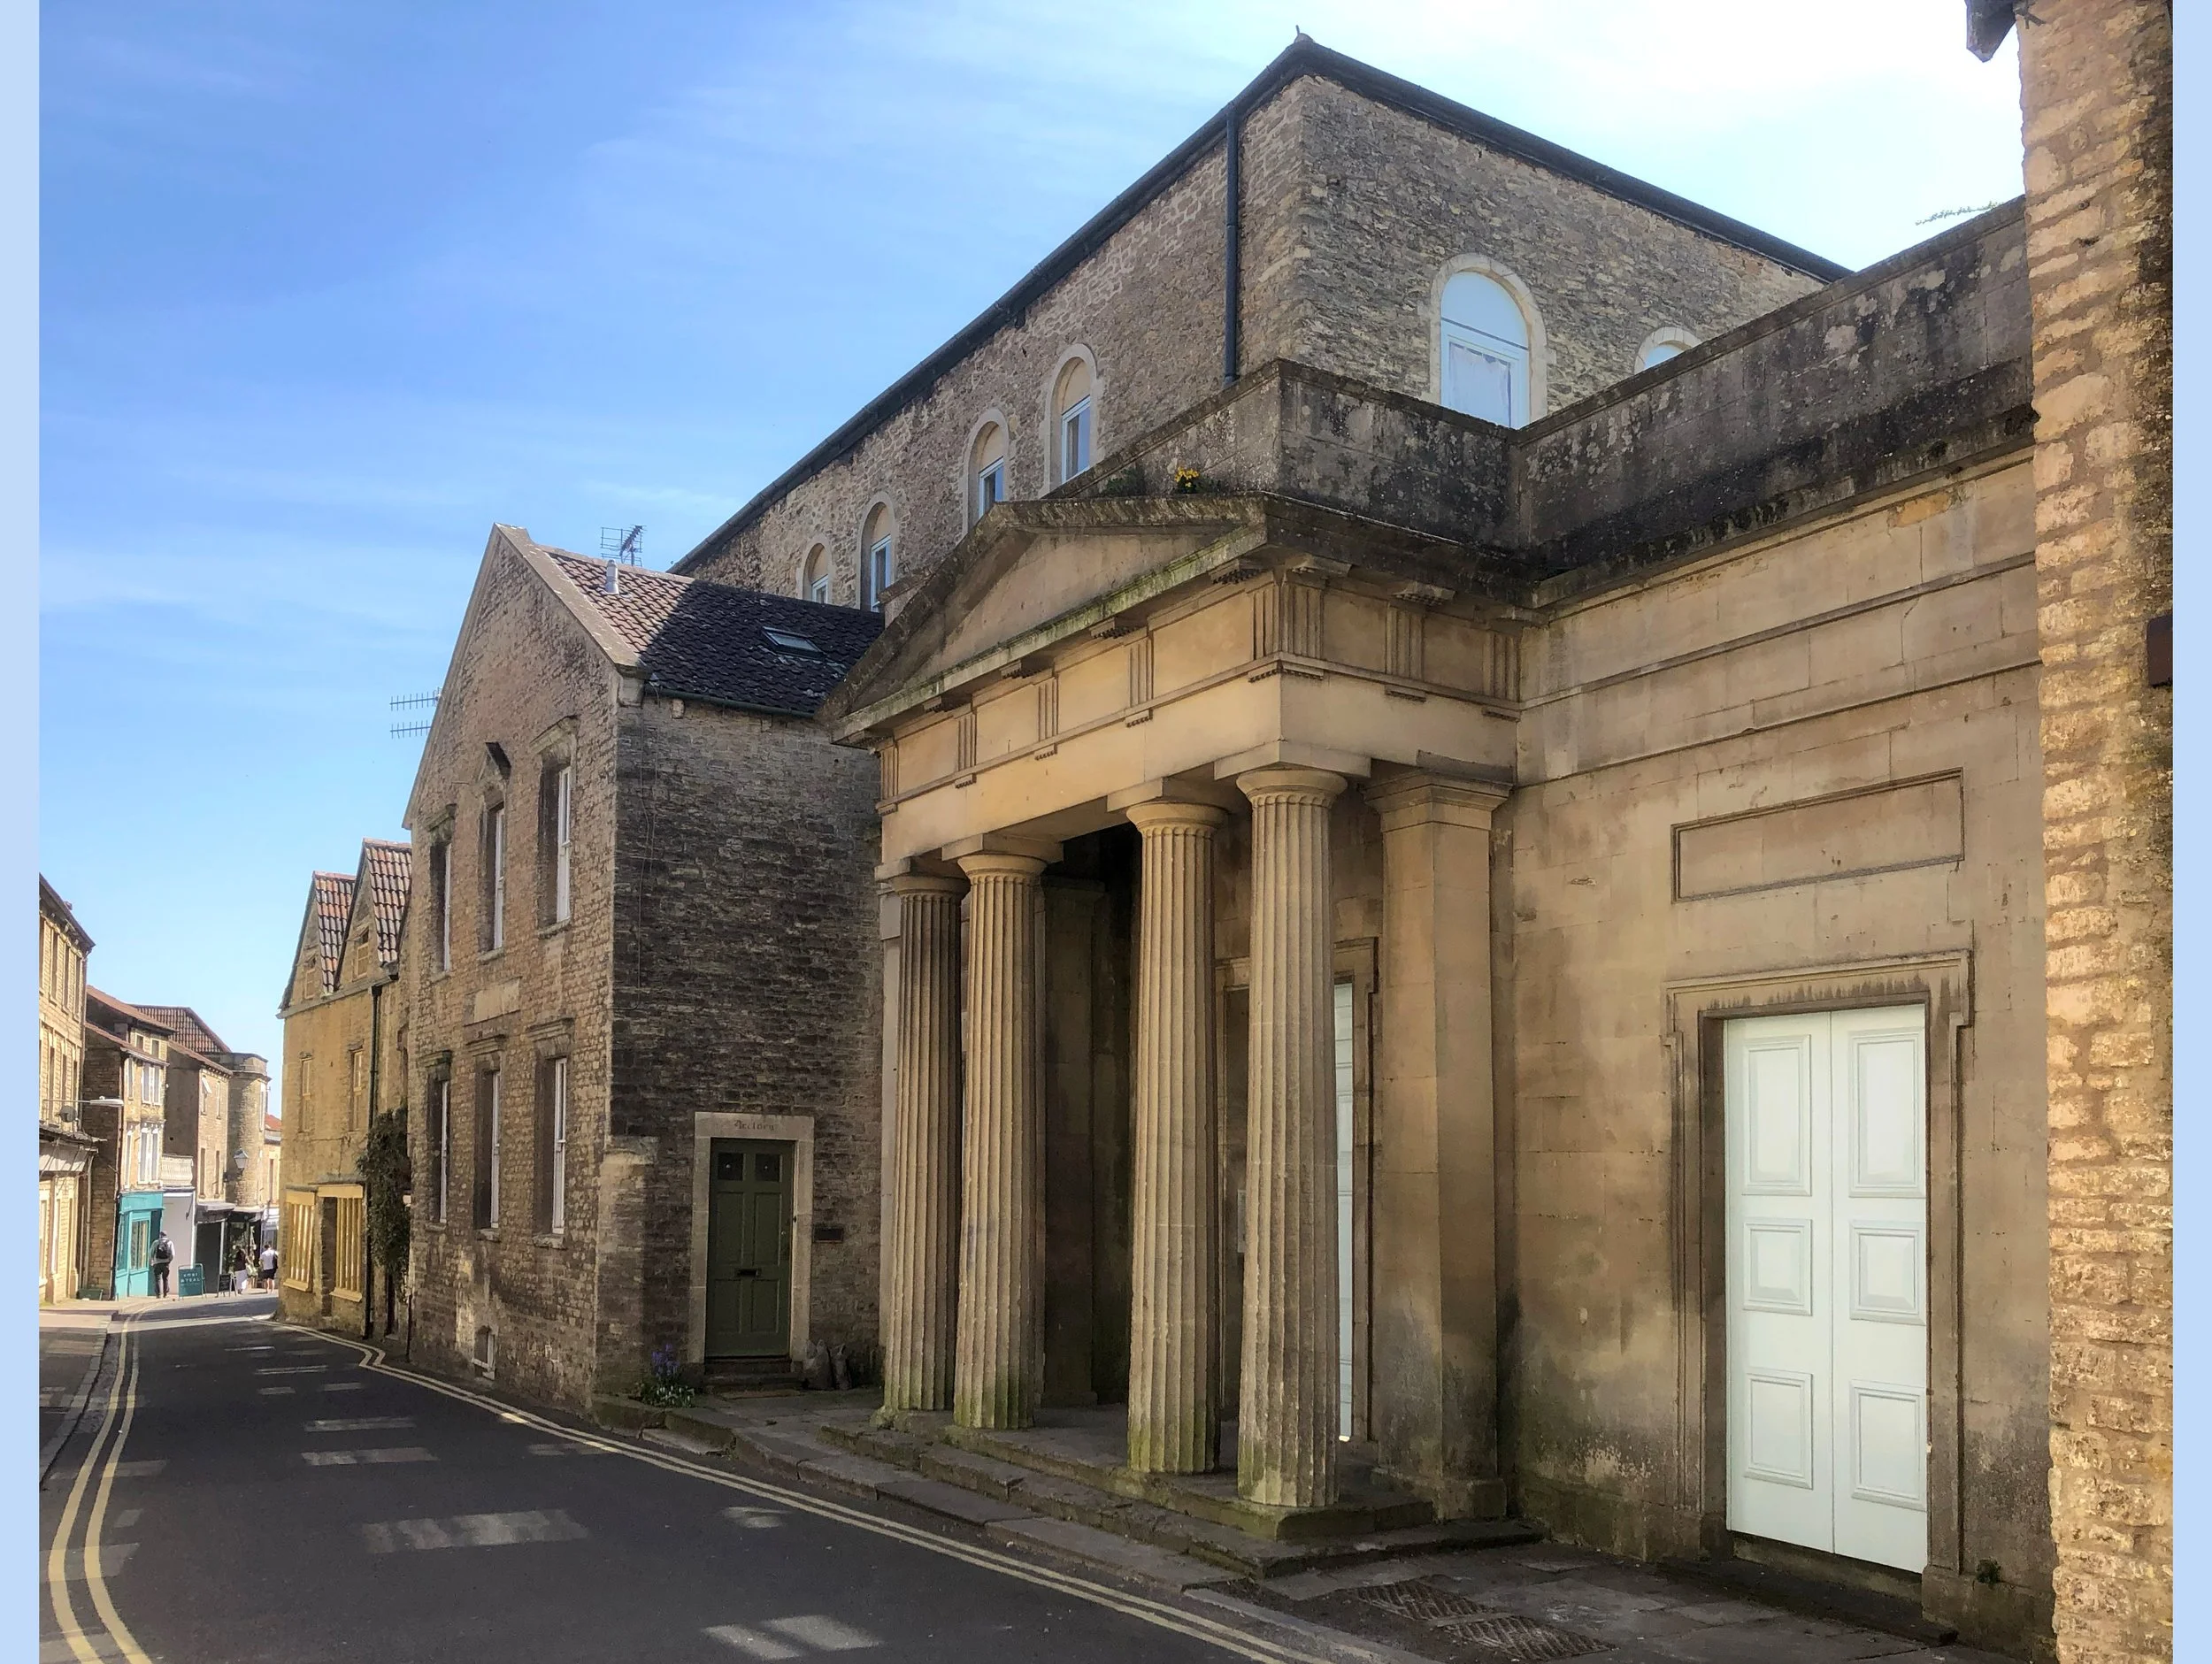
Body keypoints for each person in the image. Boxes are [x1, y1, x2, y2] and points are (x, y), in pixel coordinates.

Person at [150, 1230, 173, 1298]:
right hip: (166, 1263)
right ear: (166, 1235)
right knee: (165, 1278)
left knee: (158, 1279)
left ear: (160, 1235)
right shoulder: (170, 1243)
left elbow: (151, 1252)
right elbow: (173, 1254)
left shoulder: (156, 1242)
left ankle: (158, 1294)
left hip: (157, 1263)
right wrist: (169, 1260)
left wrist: (152, 1261)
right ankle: (165, 1294)